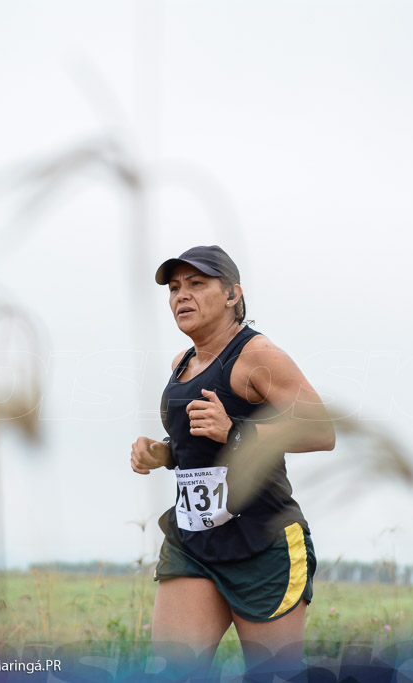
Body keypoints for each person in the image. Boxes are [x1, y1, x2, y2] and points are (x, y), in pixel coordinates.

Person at [129, 245, 336, 679]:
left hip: (263, 543)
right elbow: (198, 446)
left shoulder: (259, 356)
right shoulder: (181, 364)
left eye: (197, 284)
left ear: (232, 295)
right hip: (195, 542)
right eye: (174, 287)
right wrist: (163, 452)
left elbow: (321, 431)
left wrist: (238, 432)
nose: (181, 295)